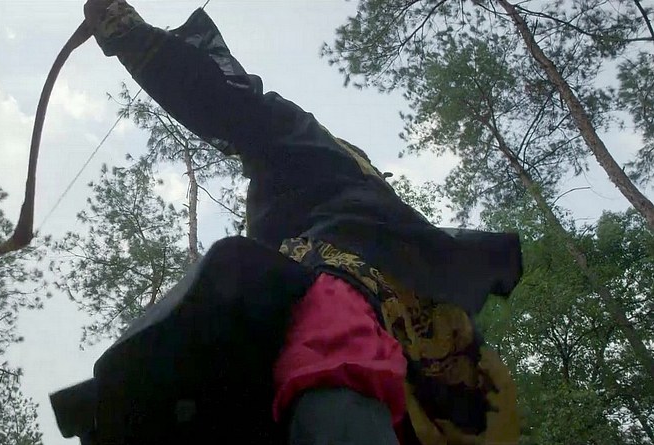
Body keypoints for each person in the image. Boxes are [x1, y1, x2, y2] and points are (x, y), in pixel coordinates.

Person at [49, 2, 523, 444]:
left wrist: (129, 34)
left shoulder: (297, 139)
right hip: (419, 345)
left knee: (328, 355)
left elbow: (225, 101)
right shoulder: (345, 168)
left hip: (352, 305)